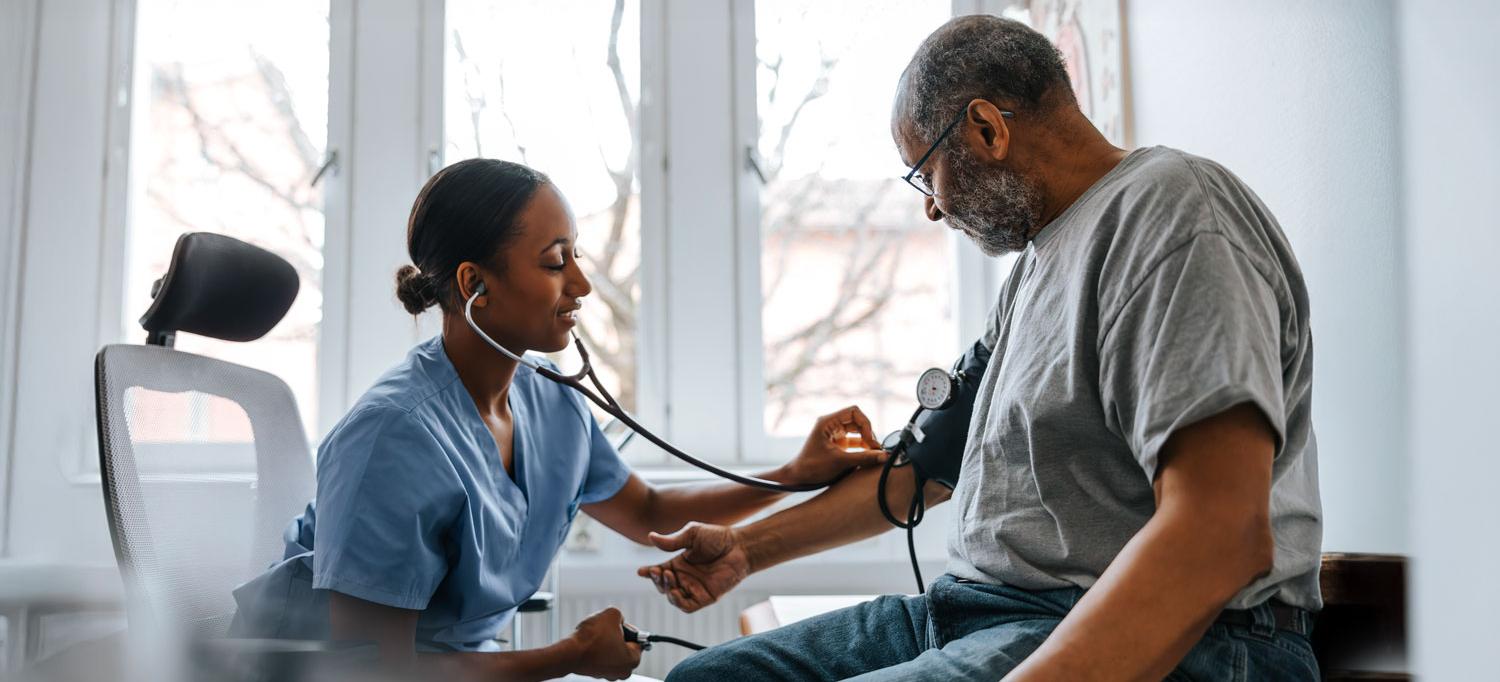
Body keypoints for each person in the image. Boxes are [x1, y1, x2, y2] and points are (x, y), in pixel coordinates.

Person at [641, 15, 1322, 681]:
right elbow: (922, 470)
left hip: (1173, 637)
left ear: (987, 128)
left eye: (925, 173)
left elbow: (1220, 533)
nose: (931, 209)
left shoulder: (1170, 217)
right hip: (975, 612)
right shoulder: (1034, 268)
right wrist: (743, 551)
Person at [228, 158, 888, 681]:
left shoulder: (550, 399)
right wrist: (566, 656)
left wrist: (794, 475)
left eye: (575, 256)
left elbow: (648, 510)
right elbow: (375, 670)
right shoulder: (392, 437)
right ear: (473, 285)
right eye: (554, 261)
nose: (582, 285)